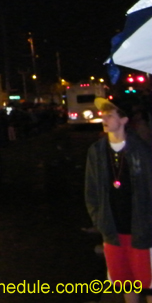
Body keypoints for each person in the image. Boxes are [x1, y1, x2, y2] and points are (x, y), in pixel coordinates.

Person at [85, 97, 152, 303]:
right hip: (113, 230)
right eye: (102, 115)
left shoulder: (141, 150)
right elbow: (91, 191)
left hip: (141, 229)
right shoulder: (96, 152)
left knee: (148, 285)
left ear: (123, 120)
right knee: (124, 282)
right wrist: (100, 221)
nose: (104, 119)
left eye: (110, 115)